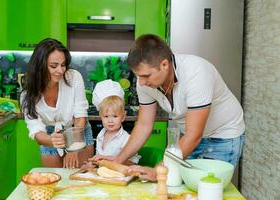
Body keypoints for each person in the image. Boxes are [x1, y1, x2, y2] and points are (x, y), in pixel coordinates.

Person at [93, 34, 245, 181]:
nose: (141, 83)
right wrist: (119, 159)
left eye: (146, 76)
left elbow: (194, 135)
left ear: (164, 65)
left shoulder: (196, 73)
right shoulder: (145, 83)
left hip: (221, 136)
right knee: (179, 188)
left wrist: (159, 170)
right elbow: (144, 125)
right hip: (188, 138)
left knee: (208, 190)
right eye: (138, 76)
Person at [20, 38, 94, 168]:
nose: (60, 70)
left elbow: (80, 115)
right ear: (40, 66)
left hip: (77, 131)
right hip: (50, 135)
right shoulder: (27, 96)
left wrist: (73, 146)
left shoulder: (73, 77)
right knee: (56, 180)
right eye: (54, 66)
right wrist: (52, 140)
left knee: (81, 179)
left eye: (63, 64)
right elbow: (37, 132)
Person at [88, 80, 140, 166]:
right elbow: (100, 161)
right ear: (100, 116)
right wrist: (93, 164)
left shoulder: (126, 139)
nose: (110, 120)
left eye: (115, 116)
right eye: (106, 116)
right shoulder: (101, 135)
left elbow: (132, 163)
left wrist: (111, 160)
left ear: (123, 117)